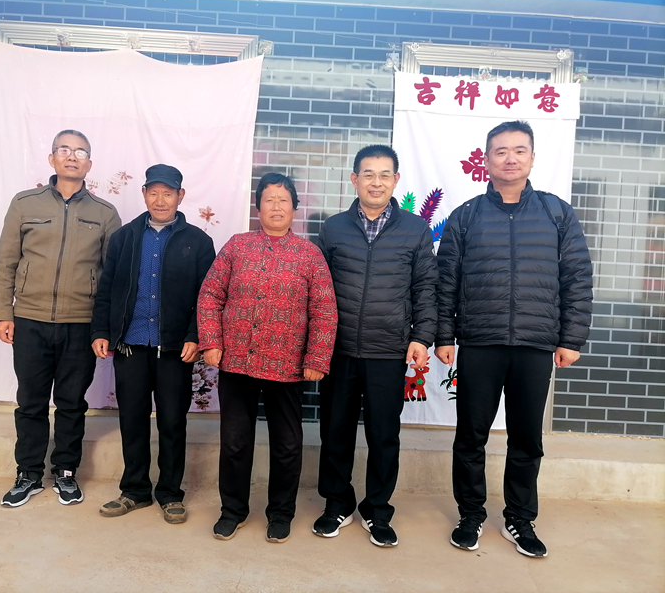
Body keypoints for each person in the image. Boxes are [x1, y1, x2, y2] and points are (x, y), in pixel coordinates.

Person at [435, 120, 593, 558]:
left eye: (519, 150)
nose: (510, 158)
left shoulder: (556, 213)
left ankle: (520, 519)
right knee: (471, 436)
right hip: (479, 343)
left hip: (535, 344)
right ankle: (471, 515)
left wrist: (571, 338)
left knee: (526, 439)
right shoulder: (467, 215)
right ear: (486, 160)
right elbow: (446, 282)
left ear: (532, 158)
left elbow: (577, 277)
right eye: (501, 151)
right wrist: (444, 335)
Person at [198, 173, 337, 543]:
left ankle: (280, 513)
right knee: (234, 441)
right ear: (257, 207)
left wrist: (317, 357)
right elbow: (210, 294)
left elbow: (324, 310)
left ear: (294, 208)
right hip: (236, 361)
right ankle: (233, 510)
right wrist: (211, 340)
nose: (276, 206)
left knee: (288, 444)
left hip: (287, 365)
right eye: (269, 200)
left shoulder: (310, 255)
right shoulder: (237, 246)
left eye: (283, 200)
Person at [313, 144, 438, 548]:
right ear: (354, 179)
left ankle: (377, 510)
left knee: (384, 436)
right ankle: (337, 503)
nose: (376, 182)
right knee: (336, 431)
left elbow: (426, 288)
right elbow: (316, 290)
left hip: (388, 350)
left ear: (396, 180)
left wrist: (421, 337)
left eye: (385, 174)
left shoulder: (415, 230)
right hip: (339, 350)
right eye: (368, 174)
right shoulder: (333, 228)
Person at [0, 129, 121, 507]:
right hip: (29, 320)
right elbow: (6, 261)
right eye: (64, 149)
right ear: (52, 159)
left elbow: (111, 277)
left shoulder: (104, 214)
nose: (71, 156)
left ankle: (65, 471)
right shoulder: (24, 203)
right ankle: (29, 473)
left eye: (80, 152)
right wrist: (3, 312)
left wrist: (104, 328)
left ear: (89, 164)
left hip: (80, 323)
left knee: (71, 402)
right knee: (30, 401)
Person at [90, 164, 215, 524]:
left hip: (174, 349)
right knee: (132, 420)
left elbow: (207, 297)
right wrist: (101, 330)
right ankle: (135, 491)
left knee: (173, 422)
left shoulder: (197, 242)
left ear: (180, 196)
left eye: (168, 193)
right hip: (130, 346)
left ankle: (171, 494)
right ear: (144, 194)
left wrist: (194, 335)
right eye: (154, 192)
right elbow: (107, 288)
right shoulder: (124, 237)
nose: (160, 200)